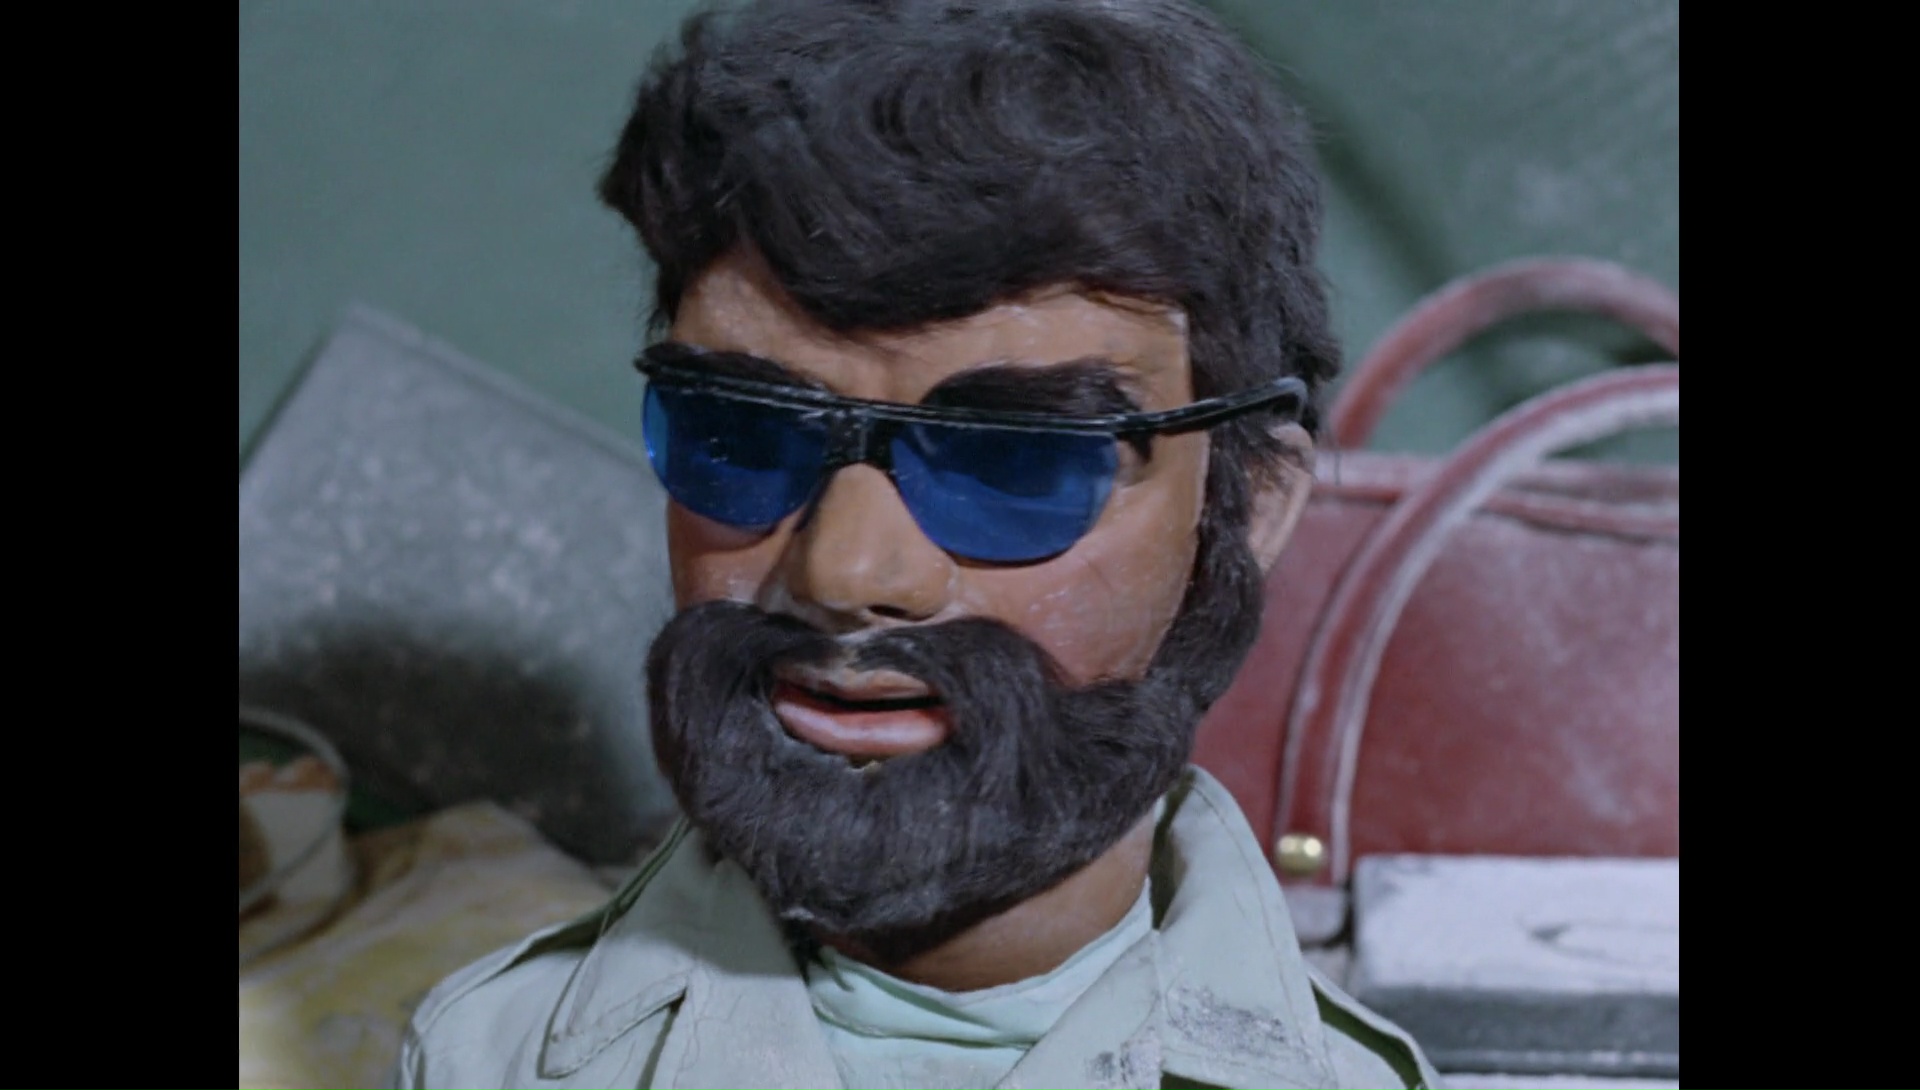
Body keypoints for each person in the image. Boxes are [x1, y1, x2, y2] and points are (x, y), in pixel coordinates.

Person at [392, 1, 1441, 1086]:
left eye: (1015, 464)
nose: (846, 571)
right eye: (741, 435)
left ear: (1249, 502)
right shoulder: (486, 1059)